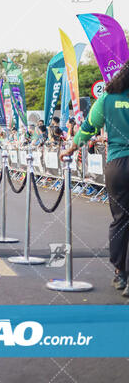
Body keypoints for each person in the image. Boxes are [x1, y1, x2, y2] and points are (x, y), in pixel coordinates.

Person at [60, 59, 129, 297]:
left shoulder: (108, 98)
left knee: (120, 220)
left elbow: (88, 127)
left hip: (118, 165)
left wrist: (70, 149)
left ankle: (120, 273)